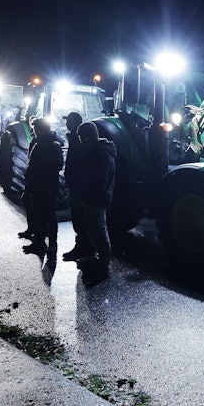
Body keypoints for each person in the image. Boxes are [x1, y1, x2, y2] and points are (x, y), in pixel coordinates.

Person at [70, 121, 116, 286]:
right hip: (93, 198)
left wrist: (87, 191)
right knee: (96, 231)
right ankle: (99, 263)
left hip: (96, 199)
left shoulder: (100, 154)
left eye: (82, 138)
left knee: (100, 232)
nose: (81, 141)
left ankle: (103, 268)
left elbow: (98, 180)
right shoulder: (98, 152)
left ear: (87, 137)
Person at [22, 117, 63, 256]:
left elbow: (34, 168)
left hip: (44, 185)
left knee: (48, 215)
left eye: (36, 129)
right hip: (47, 185)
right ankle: (41, 243)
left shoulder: (47, 145)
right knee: (43, 214)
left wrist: (30, 186)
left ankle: (48, 244)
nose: (34, 131)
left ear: (42, 129)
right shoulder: (46, 144)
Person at [61, 112, 93, 262]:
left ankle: (85, 249)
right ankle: (82, 247)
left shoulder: (78, 142)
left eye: (68, 121)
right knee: (78, 218)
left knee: (80, 218)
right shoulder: (76, 140)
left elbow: (77, 164)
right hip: (75, 184)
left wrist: (72, 181)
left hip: (78, 186)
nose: (66, 123)